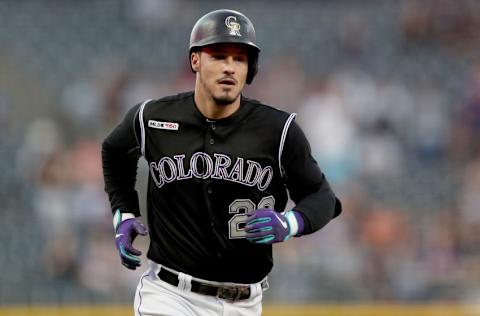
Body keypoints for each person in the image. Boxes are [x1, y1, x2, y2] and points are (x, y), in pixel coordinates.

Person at [102, 8, 342, 316]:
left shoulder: (278, 131)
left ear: (249, 69)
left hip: (243, 303)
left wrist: (290, 223)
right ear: (195, 61)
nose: (229, 67)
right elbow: (114, 152)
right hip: (170, 295)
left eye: (239, 59)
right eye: (218, 56)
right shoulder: (153, 118)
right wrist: (123, 214)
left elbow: (323, 198)